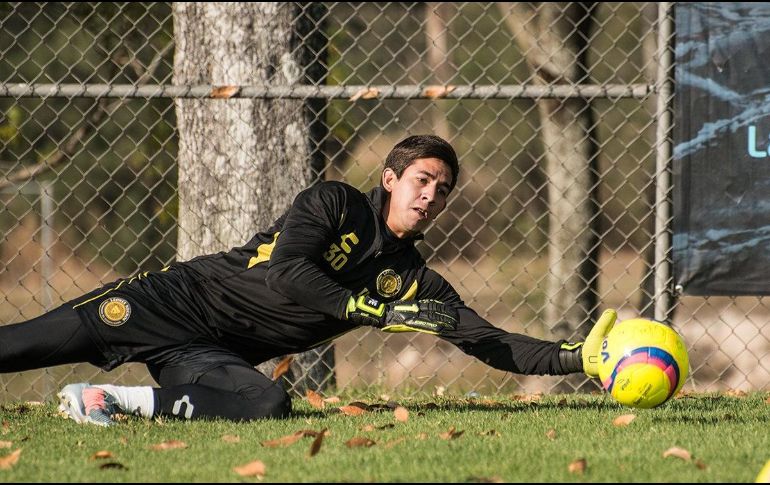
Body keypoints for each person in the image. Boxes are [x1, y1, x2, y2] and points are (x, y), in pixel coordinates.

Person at [0, 134, 617, 426]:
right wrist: (375, 312)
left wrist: (577, 357)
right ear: (391, 179)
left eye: (443, 190)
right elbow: (288, 274)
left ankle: (108, 403)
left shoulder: (414, 281)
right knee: (17, 347)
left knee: (267, 402)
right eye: (422, 179)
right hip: (168, 303)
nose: (431, 196)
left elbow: (491, 342)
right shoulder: (333, 203)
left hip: (209, 354)